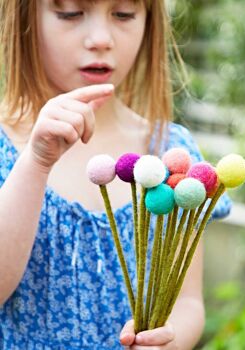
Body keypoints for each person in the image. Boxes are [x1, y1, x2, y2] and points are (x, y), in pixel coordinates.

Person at [0, 0, 231, 349]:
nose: (100, 38)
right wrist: (36, 160)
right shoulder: (8, 148)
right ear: (23, 19)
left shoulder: (172, 153)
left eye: (123, 14)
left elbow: (188, 302)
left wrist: (169, 341)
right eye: (70, 13)